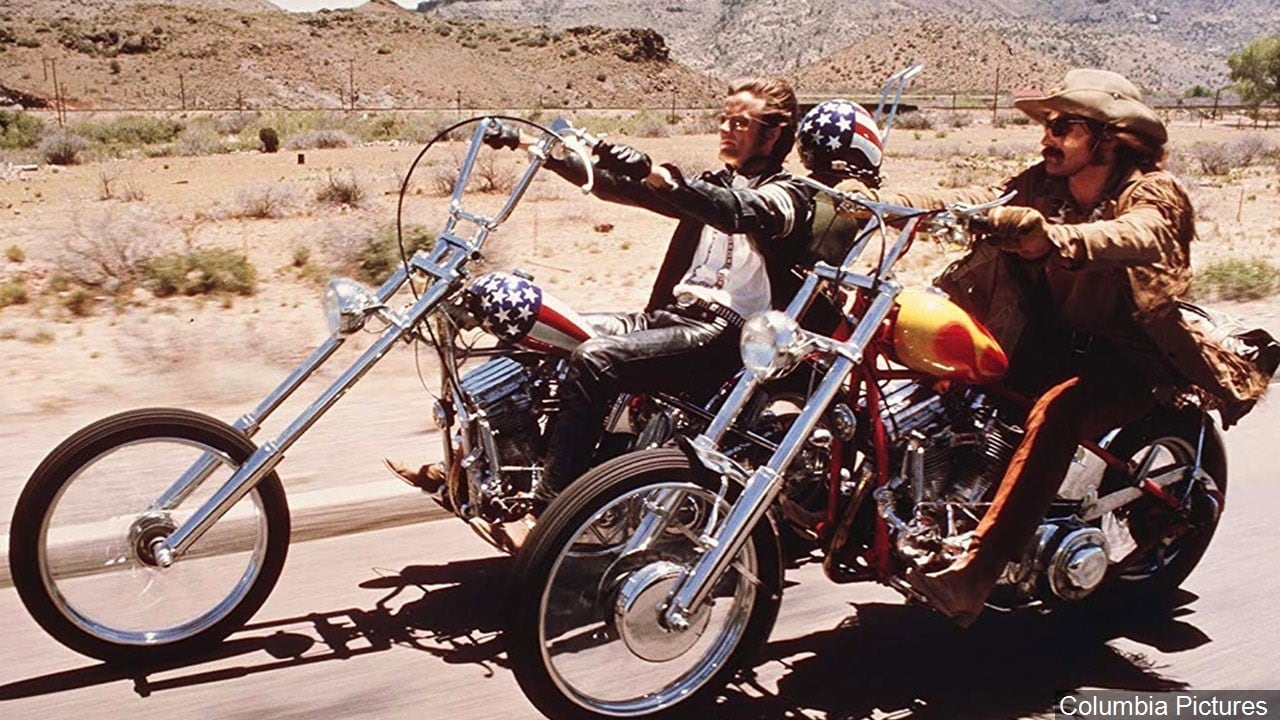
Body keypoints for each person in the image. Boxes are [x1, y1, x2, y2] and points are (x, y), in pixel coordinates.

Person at [866, 68, 1272, 625]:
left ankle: (975, 575)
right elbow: (981, 197)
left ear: (1108, 138)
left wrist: (1052, 238)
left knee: (1057, 414)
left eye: (1063, 126)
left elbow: (1141, 233)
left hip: (1127, 355)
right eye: (1048, 126)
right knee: (947, 372)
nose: (1047, 137)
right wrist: (888, 203)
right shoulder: (1044, 184)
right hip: (1048, 340)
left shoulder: (1153, 191)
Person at [389, 79, 841, 543]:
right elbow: (619, 188)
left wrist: (660, 177)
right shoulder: (712, 183)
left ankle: (549, 517)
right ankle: (483, 471)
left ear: (774, 134)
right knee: (538, 334)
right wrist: (536, 147)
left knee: (595, 360)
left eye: (740, 123)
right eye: (723, 119)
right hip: (673, 316)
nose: (725, 129)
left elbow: (735, 211)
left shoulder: (791, 196)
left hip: (726, 336)